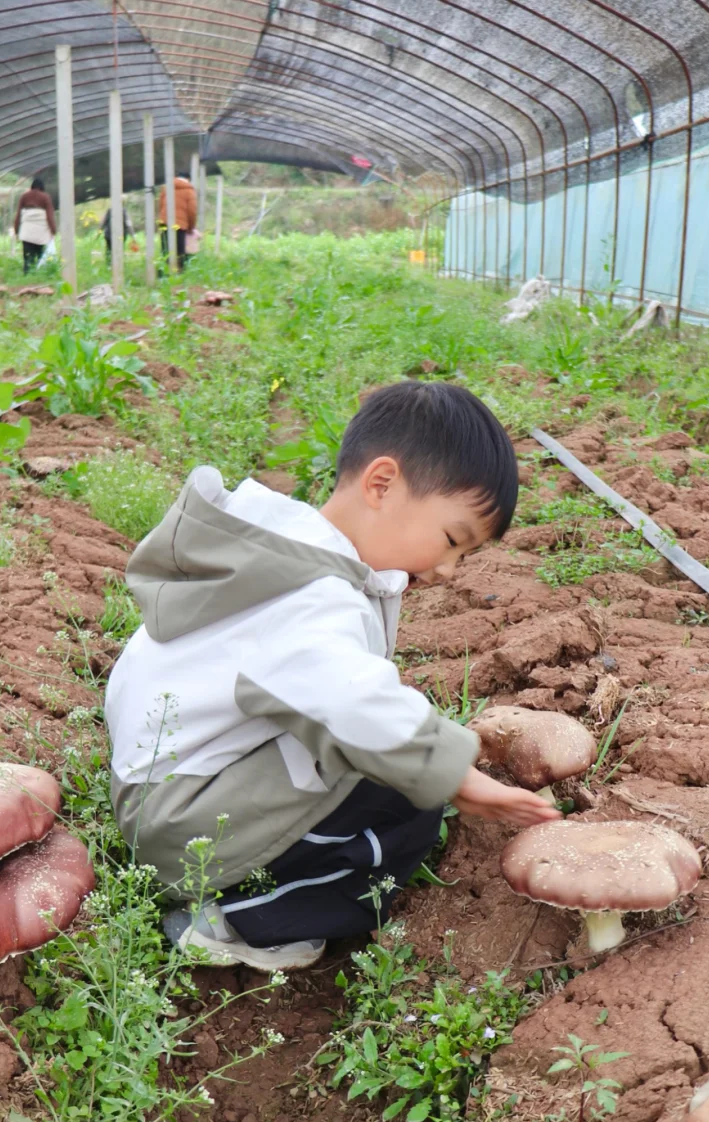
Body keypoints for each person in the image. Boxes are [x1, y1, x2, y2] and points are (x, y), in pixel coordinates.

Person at [104, 382, 560, 973]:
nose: (449, 570)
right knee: (406, 802)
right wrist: (457, 775)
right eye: (452, 540)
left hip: (164, 792)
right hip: (182, 829)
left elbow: (337, 688)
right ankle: (237, 919)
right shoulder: (312, 597)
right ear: (381, 484)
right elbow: (351, 705)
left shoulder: (281, 550)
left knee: (384, 755)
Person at [13, 177, 56, 272]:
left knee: (28, 259)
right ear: (42, 187)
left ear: (32, 186)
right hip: (41, 234)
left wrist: (16, 231)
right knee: (41, 257)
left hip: (27, 233)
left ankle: (27, 276)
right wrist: (53, 231)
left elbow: (18, 215)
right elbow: (50, 216)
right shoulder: (45, 197)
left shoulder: (24, 196)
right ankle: (39, 276)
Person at [156, 173, 198, 268]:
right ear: (188, 179)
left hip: (164, 223)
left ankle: (164, 272)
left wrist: (162, 220)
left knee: (165, 249)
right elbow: (192, 211)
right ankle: (179, 272)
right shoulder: (189, 191)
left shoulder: (166, 188)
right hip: (180, 224)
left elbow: (160, 205)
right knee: (179, 251)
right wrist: (191, 227)